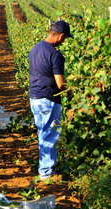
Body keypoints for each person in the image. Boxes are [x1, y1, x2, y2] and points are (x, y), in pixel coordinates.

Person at [28, 20, 73, 180]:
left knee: (42, 132)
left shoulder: (35, 49)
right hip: (48, 98)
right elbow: (60, 83)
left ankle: (44, 167)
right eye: (65, 38)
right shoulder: (55, 54)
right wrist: (70, 92)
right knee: (49, 135)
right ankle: (46, 172)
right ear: (60, 36)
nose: (64, 41)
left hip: (34, 97)